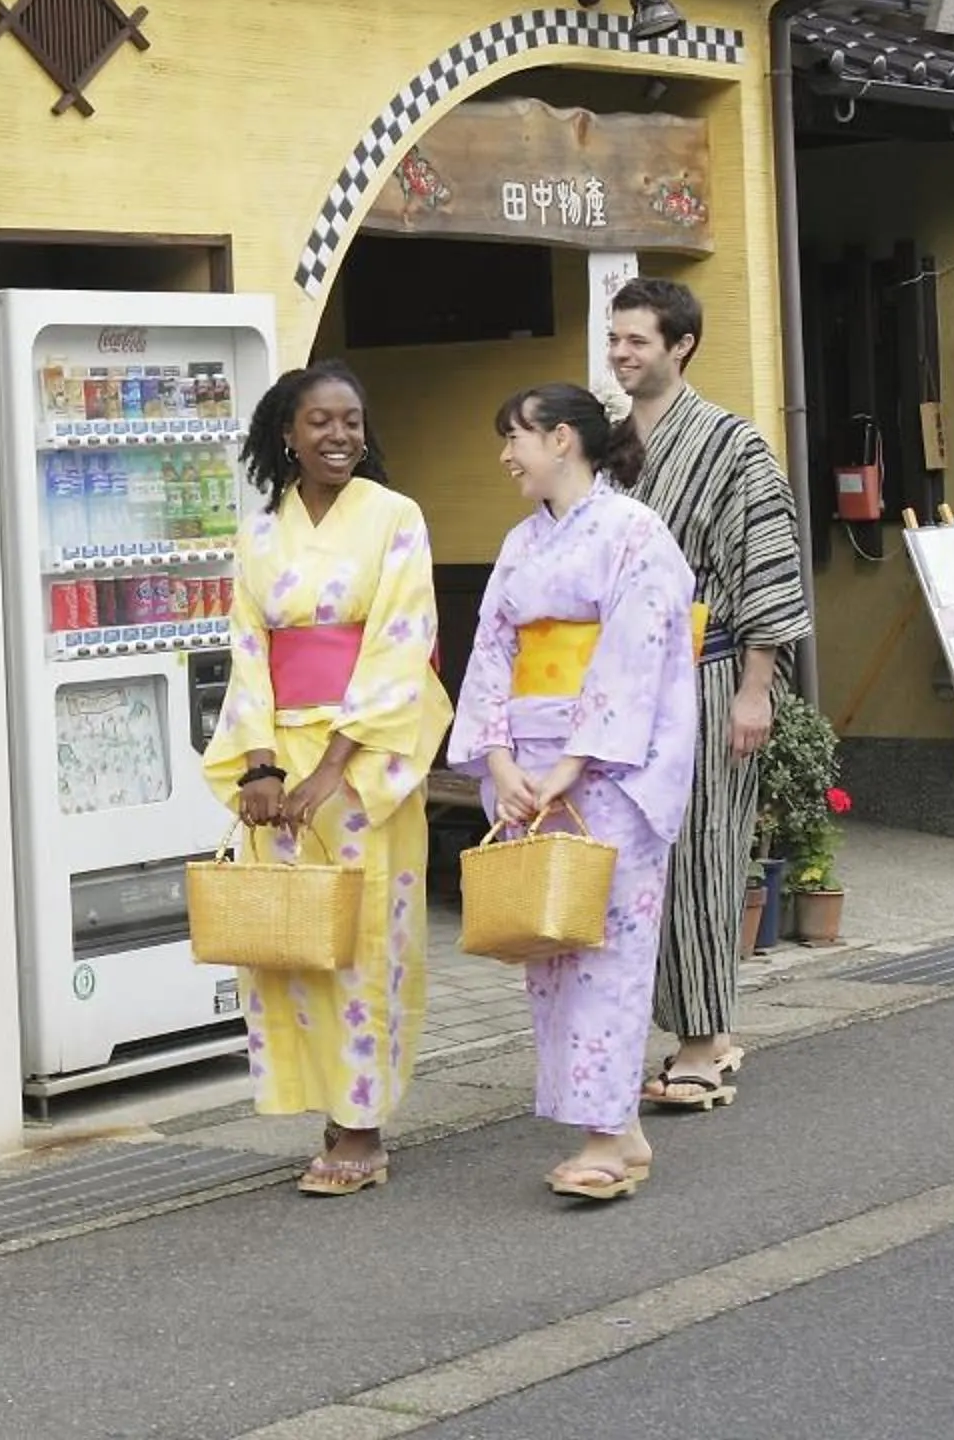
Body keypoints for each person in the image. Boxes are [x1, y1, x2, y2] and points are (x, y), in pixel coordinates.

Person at [202, 362, 450, 1197]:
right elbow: (246, 650)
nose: (340, 435)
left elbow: (400, 639)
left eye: (352, 420)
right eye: (320, 422)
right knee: (290, 940)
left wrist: (334, 765)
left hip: (367, 755)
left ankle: (362, 1125)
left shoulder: (395, 517)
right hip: (280, 756)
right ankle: (323, 1105)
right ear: (287, 433)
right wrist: (262, 767)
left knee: (363, 936)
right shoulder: (259, 532)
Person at [448, 383, 699, 1201]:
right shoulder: (521, 543)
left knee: (609, 952)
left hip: (611, 773)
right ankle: (617, 1130)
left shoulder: (635, 534)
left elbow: (636, 655)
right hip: (530, 765)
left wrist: (571, 762)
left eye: (514, 437)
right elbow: (491, 651)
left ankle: (602, 1137)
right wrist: (497, 756)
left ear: (562, 440)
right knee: (549, 949)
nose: (505, 455)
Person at [608, 276, 812, 1112]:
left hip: (709, 670)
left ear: (681, 345)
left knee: (701, 853)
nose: (620, 354)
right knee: (634, 859)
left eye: (637, 342)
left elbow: (766, 562)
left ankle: (701, 1042)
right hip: (625, 683)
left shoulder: (732, 445)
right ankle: (686, 1030)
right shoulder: (609, 443)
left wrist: (754, 690)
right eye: (614, 339)